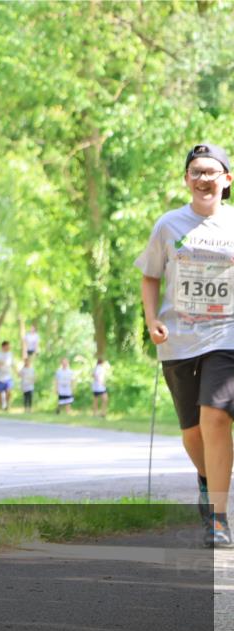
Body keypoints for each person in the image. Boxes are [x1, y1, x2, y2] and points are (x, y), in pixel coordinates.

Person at [135, 142, 234, 549]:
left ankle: (219, 518)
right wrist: (152, 319)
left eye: (212, 172)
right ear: (186, 180)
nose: (204, 178)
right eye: (196, 172)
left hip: (226, 335)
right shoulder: (168, 225)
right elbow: (149, 276)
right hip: (178, 339)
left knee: (216, 417)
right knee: (192, 432)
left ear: (227, 180)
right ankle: (208, 477)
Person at [0, 340, 14, 411]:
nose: (8, 348)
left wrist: (17, 372)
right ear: (3, 346)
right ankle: (0, 405)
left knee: (8, 391)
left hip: (8, 376)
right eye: (7, 346)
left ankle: (7, 405)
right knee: (0, 392)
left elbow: (12, 364)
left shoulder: (10, 354)